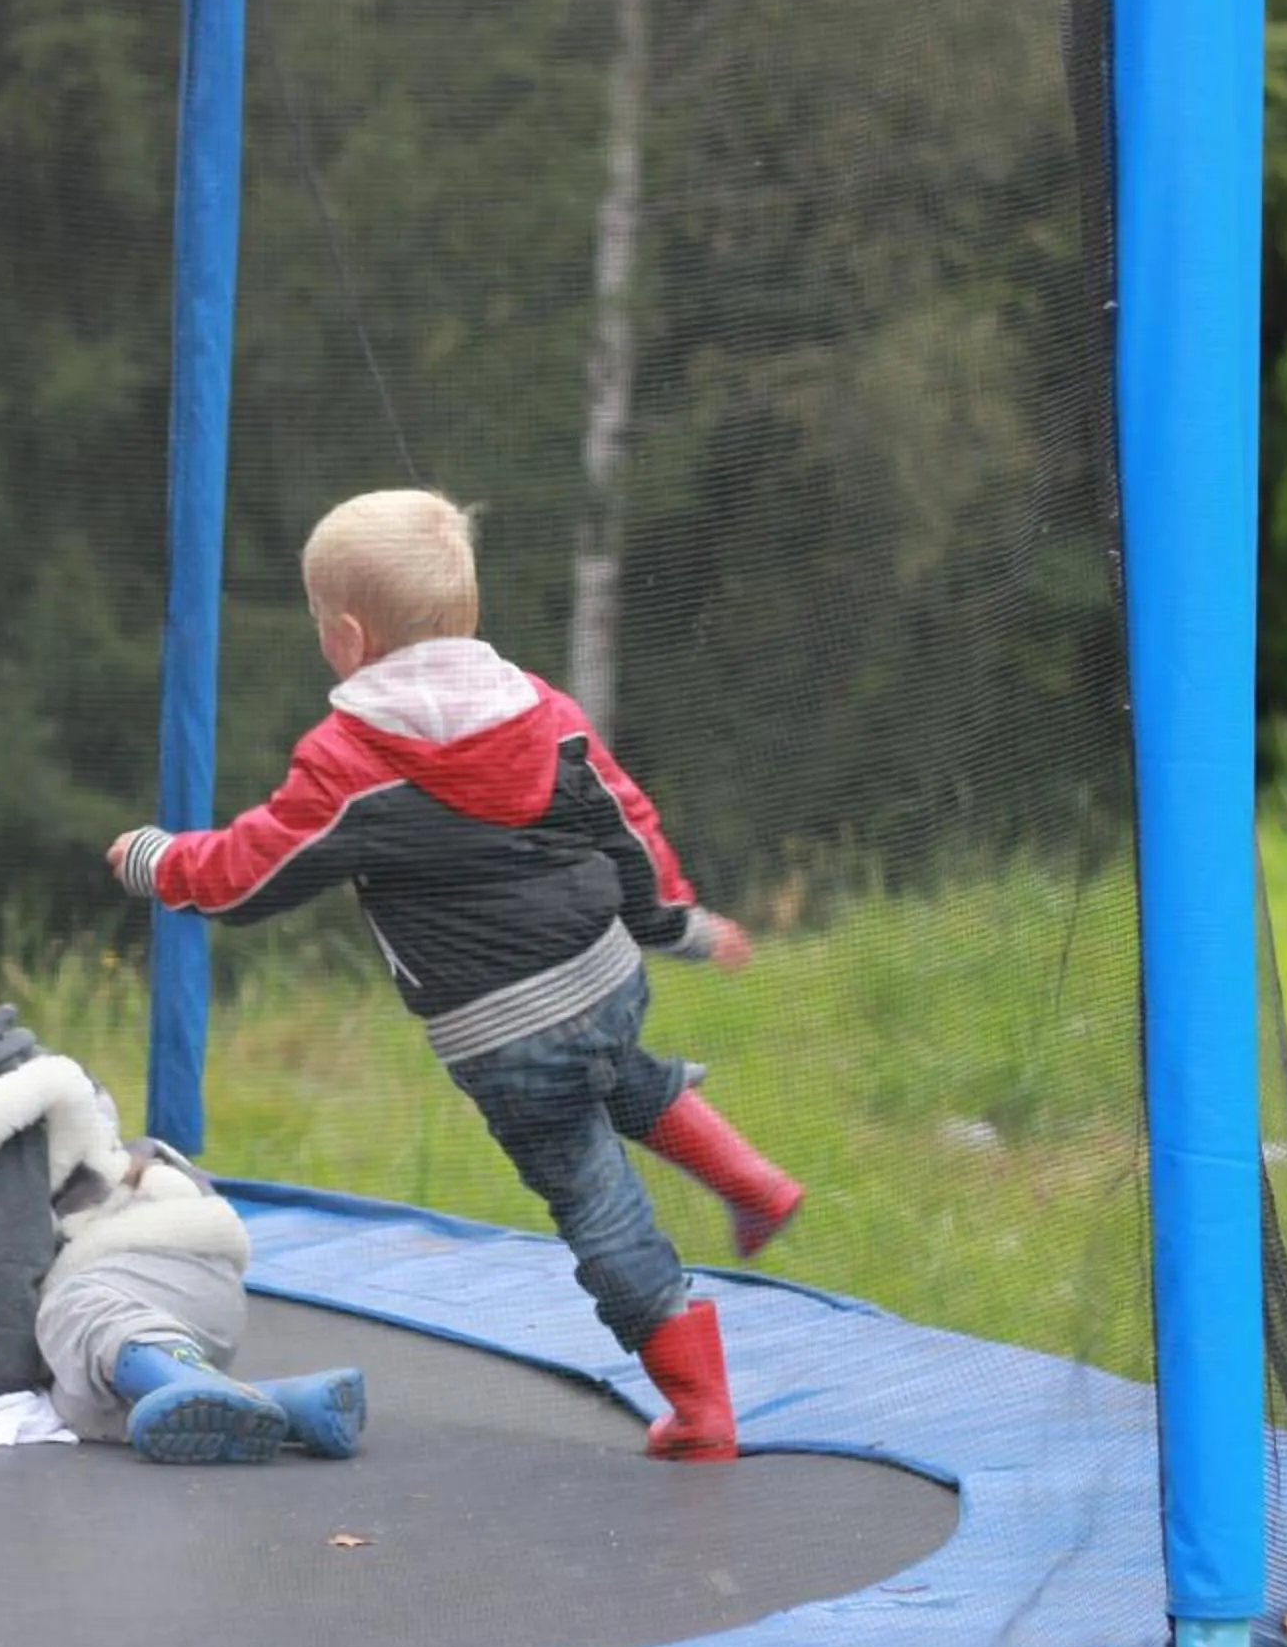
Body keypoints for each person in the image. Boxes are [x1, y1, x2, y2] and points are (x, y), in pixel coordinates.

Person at [106, 489, 798, 1461]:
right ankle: (750, 1178)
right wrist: (673, 923)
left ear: (347, 635)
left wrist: (154, 859)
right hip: (604, 973)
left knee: (594, 1196)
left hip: (505, 1028)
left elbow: (246, 874)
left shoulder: (352, 758)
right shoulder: (542, 708)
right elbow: (624, 814)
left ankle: (700, 1405)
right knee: (612, 1067)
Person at [0, 892, 366, 1466]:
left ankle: (179, 1372)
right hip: (124, 1306)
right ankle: (290, 1405)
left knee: (72, 1315)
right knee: (71, 1398)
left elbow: (9, 1263)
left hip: (161, 1264)